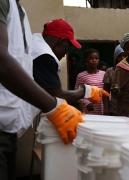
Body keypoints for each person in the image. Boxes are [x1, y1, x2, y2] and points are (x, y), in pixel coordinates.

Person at [0, 1, 82, 179]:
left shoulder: (19, 12)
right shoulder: (46, 56)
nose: (65, 53)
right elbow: (56, 93)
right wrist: (56, 106)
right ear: (60, 41)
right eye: (67, 47)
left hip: (8, 129)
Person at [75, 48, 107, 115]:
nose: (94, 60)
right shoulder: (81, 76)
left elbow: (107, 91)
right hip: (89, 110)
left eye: (96, 58)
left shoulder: (104, 74)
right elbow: (77, 94)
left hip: (103, 109)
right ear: (86, 60)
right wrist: (87, 103)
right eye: (91, 58)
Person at [103, 44, 126, 115]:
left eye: (125, 55)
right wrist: (106, 110)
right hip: (114, 110)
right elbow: (105, 92)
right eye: (120, 56)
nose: (123, 58)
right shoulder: (110, 71)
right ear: (116, 57)